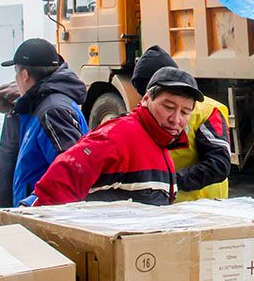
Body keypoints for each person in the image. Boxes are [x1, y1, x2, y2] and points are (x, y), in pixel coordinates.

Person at [29, 67, 204, 206]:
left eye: (185, 112)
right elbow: (56, 186)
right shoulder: (118, 135)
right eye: (168, 107)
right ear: (146, 99)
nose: (176, 119)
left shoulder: (161, 143)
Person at [0, 38, 88, 208]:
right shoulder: (39, 104)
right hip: (36, 212)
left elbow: (73, 173)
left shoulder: (53, 111)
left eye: (16, 73)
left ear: (24, 75)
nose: (15, 80)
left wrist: (30, 204)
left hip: (44, 215)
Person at [131, 45, 231, 201]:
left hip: (204, 208)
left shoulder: (208, 111)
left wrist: (170, 181)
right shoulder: (141, 114)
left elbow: (218, 165)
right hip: (163, 208)